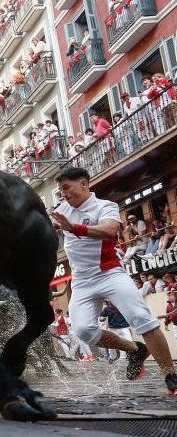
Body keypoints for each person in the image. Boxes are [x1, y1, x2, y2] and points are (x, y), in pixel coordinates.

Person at [50, 167, 177, 392]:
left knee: (141, 317)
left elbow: (109, 231)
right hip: (81, 281)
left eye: (66, 188)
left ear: (84, 184)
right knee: (83, 331)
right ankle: (135, 350)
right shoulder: (61, 209)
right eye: (61, 191)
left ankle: (170, 374)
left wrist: (73, 228)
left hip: (109, 274)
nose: (64, 194)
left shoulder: (105, 206)